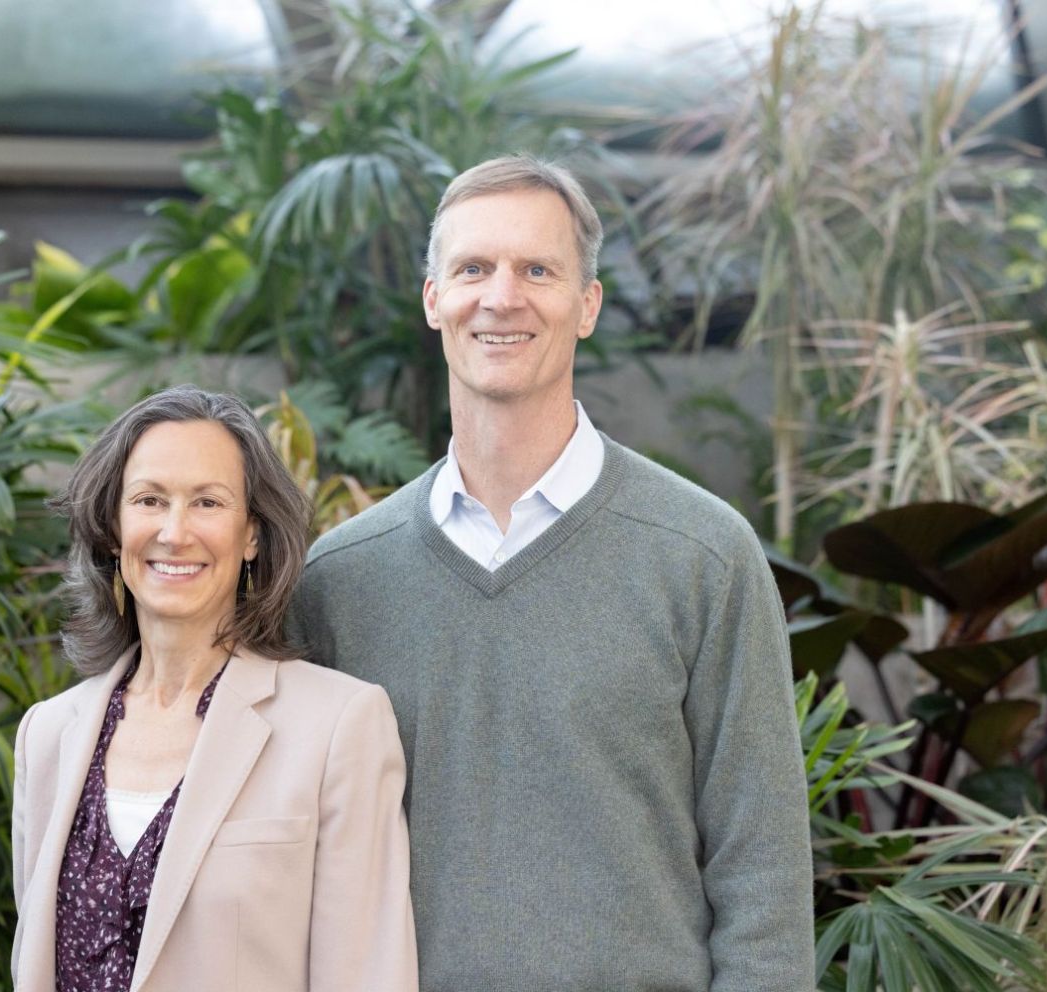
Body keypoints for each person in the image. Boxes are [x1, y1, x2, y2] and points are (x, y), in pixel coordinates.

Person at [289, 156, 814, 991]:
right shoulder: (340, 580)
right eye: (472, 268)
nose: (502, 297)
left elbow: (765, 878)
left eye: (538, 269)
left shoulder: (704, 555)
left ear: (587, 306)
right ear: (434, 301)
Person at [11, 385, 417, 992]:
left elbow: (366, 975)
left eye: (207, 502)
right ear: (114, 530)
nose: (175, 532)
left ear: (252, 534)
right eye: (149, 500)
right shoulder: (47, 735)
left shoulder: (338, 726)